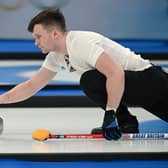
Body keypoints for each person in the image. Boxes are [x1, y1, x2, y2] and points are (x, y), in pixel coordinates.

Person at [0, 9, 167, 140]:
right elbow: (31, 86)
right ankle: (127, 123)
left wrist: (110, 114)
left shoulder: (80, 43)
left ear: (55, 34)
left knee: (90, 80)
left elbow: (116, 74)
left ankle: (123, 120)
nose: (36, 42)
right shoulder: (56, 56)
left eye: (38, 37)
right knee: (90, 80)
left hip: (150, 80)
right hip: (138, 89)